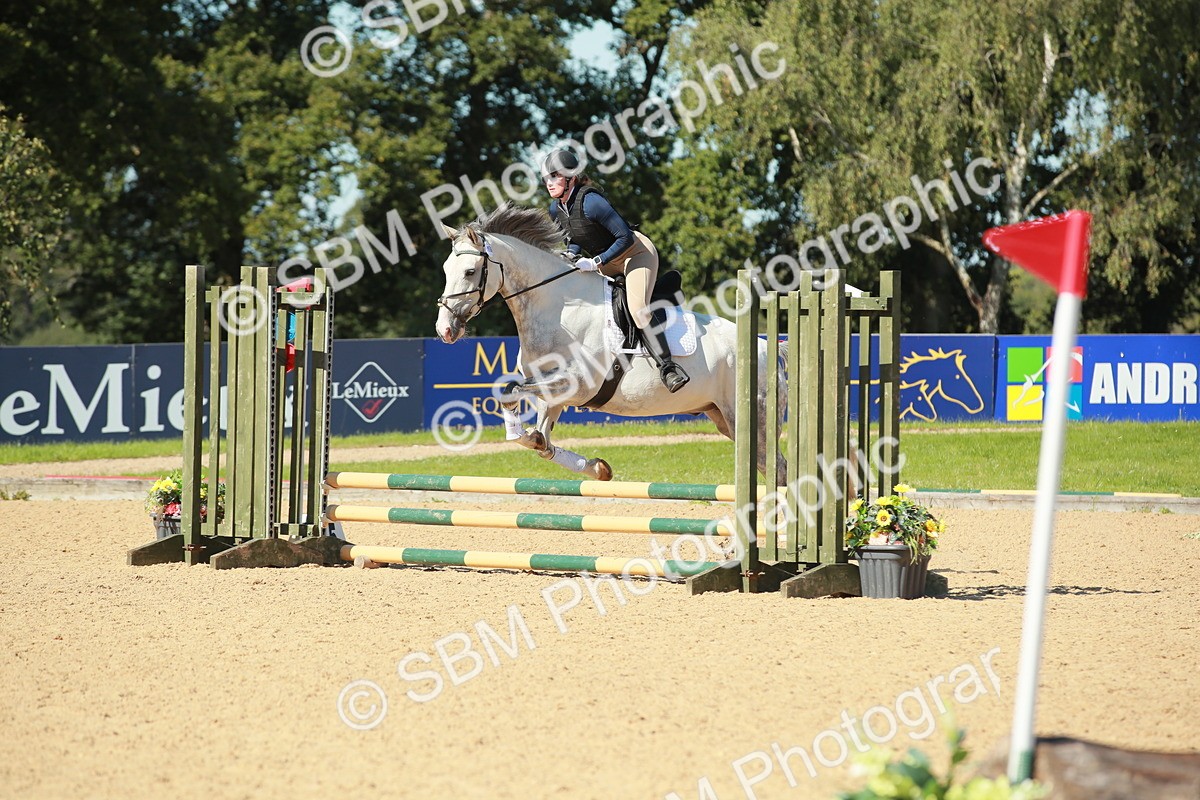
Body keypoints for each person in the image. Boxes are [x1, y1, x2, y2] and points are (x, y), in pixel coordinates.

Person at [542, 149, 689, 393]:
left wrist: (596, 261)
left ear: (571, 178)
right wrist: (571, 254)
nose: (549, 182)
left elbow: (625, 237)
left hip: (636, 254)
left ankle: (668, 368)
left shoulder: (591, 202)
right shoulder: (556, 209)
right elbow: (576, 238)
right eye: (547, 177)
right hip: (606, 262)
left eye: (555, 176)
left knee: (638, 310)